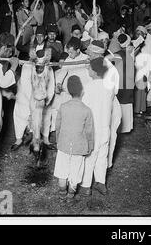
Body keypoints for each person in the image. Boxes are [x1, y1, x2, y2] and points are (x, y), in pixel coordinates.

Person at [54, 75, 95, 198]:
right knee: (76, 171)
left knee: (62, 171)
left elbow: (58, 127)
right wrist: (90, 146)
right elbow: (89, 132)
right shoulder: (87, 110)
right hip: (79, 147)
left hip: (64, 145)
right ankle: (70, 196)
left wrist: (58, 141)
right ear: (82, 92)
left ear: (69, 92)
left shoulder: (63, 107)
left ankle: (62, 194)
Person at [81, 57, 115, 195]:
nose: (87, 69)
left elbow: (84, 108)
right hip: (105, 126)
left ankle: (85, 185)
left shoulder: (88, 87)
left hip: (92, 128)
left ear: (94, 72)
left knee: (90, 157)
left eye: (89, 68)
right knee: (102, 155)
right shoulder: (109, 86)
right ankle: (100, 182)